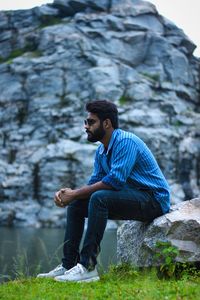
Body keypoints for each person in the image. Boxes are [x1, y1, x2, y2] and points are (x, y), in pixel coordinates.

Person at [37, 100, 170, 282]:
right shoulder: (101, 150)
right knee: (77, 204)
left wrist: (74, 193)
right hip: (135, 198)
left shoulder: (125, 142)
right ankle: (69, 265)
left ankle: (88, 267)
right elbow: (94, 183)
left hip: (154, 200)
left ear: (106, 123)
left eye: (91, 122)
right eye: (86, 122)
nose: (86, 126)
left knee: (99, 198)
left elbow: (114, 181)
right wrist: (70, 195)